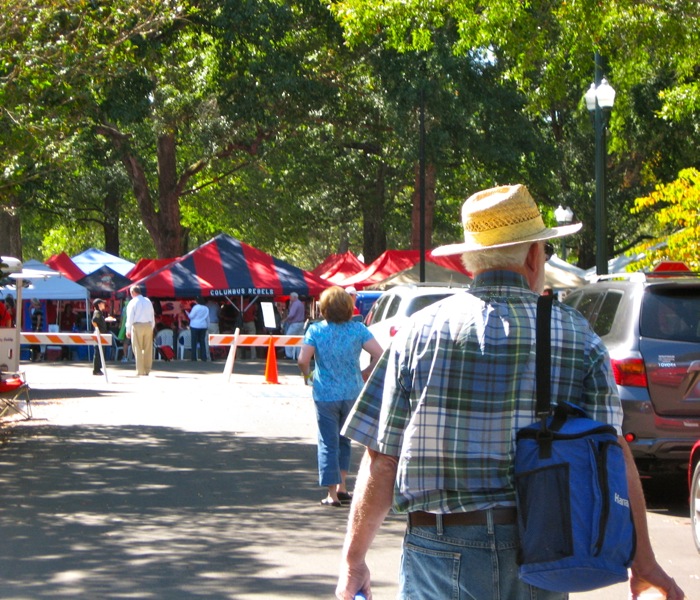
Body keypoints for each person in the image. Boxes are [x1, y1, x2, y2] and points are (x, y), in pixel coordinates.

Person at [335, 185, 685, 600]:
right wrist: (642, 560)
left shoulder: (418, 333)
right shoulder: (578, 335)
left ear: (470, 262)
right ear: (534, 255)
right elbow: (612, 453)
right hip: (545, 546)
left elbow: (383, 459)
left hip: (440, 546)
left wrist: (353, 560)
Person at [297, 286, 383, 508]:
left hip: (325, 393)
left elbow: (302, 359)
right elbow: (380, 354)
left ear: (324, 308)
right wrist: (365, 373)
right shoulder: (358, 329)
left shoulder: (316, 331)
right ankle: (344, 486)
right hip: (352, 391)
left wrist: (308, 376)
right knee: (345, 439)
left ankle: (332, 494)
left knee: (328, 441)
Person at [125, 285, 155, 376]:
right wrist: (152, 326)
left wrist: (128, 329)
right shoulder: (148, 301)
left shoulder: (132, 302)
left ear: (133, 293)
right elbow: (152, 314)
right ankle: (147, 369)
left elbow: (130, 317)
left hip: (137, 325)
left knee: (137, 348)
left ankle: (140, 370)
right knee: (148, 349)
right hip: (148, 325)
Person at [283, 292, 305, 359]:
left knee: (288, 338)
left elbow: (291, 315)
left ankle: (289, 355)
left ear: (295, 297)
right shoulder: (301, 304)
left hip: (295, 324)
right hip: (301, 324)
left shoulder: (295, 304)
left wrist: (285, 319)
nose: (290, 298)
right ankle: (299, 355)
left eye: (290, 297)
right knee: (299, 340)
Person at [186, 297, 209, 361]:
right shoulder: (206, 308)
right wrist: (207, 326)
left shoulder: (196, 307)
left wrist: (188, 314)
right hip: (203, 325)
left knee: (194, 341)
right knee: (202, 341)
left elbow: (191, 316)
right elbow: (207, 318)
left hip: (195, 325)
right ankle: (203, 357)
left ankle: (194, 357)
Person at [91, 298, 108, 376]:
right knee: (98, 352)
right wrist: (97, 330)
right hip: (99, 335)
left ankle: (98, 369)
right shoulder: (97, 312)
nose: (104, 305)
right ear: (98, 305)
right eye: (102, 303)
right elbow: (94, 321)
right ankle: (96, 369)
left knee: (100, 352)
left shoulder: (100, 313)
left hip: (101, 335)